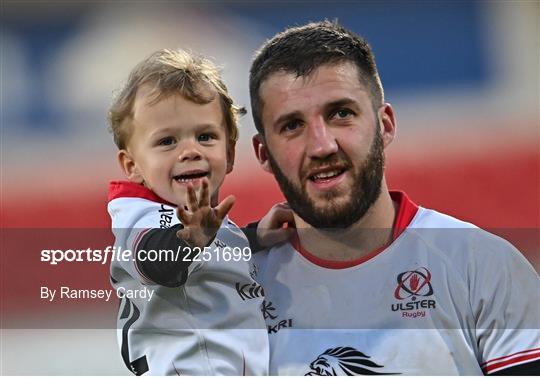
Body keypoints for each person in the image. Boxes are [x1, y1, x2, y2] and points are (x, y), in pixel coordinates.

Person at [249, 21, 539, 375]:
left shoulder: (483, 267)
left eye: (341, 113)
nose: (322, 146)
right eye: (292, 125)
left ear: (384, 125)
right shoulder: (234, 288)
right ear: (263, 153)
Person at [106, 49, 268, 375]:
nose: (190, 151)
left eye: (205, 136)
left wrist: (257, 236)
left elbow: (214, 254)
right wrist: (191, 240)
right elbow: (153, 260)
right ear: (132, 165)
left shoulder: (198, 221)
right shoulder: (142, 216)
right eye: (167, 141)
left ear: (231, 152)